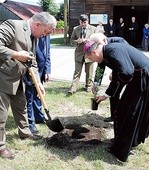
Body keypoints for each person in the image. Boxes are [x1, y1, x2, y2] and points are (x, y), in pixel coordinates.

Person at [83, 38, 149, 162]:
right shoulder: (105, 52)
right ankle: (128, 142)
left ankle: (121, 149)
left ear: (94, 53)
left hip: (144, 77)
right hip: (141, 77)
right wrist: (101, 91)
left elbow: (127, 72)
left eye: (91, 59)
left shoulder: (112, 50)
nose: (93, 61)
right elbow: (106, 70)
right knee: (125, 110)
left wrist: (115, 78)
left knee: (130, 113)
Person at [0, 12, 57, 159]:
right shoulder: (12, 26)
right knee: (1, 115)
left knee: (22, 107)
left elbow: (32, 61)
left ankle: (25, 133)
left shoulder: (34, 36)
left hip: (19, 78)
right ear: (38, 24)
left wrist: (38, 82)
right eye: (45, 32)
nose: (44, 36)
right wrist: (15, 54)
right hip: (3, 78)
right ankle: (0, 147)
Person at [90, 33, 128, 122]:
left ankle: (124, 118)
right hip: (117, 72)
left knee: (127, 95)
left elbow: (123, 61)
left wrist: (113, 72)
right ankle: (114, 116)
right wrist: (96, 84)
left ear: (103, 41)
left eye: (97, 45)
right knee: (114, 93)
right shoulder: (100, 48)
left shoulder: (120, 42)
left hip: (127, 72)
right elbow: (100, 67)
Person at [24, 35, 51, 135]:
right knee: (29, 97)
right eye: (49, 29)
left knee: (38, 95)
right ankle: (30, 122)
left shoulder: (47, 34)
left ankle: (39, 117)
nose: (50, 31)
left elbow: (47, 52)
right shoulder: (32, 35)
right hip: (31, 69)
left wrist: (47, 69)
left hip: (41, 69)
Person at [68, 14, 96, 94]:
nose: (83, 24)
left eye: (85, 22)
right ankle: (73, 88)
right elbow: (71, 40)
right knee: (77, 71)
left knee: (89, 71)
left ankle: (88, 86)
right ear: (79, 21)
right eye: (81, 22)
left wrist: (89, 41)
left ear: (88, 21)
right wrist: (77, 41)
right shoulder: (76, 29)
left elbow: (97, 41)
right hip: (79, 54)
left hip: (89, 54)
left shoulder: (94, 29)